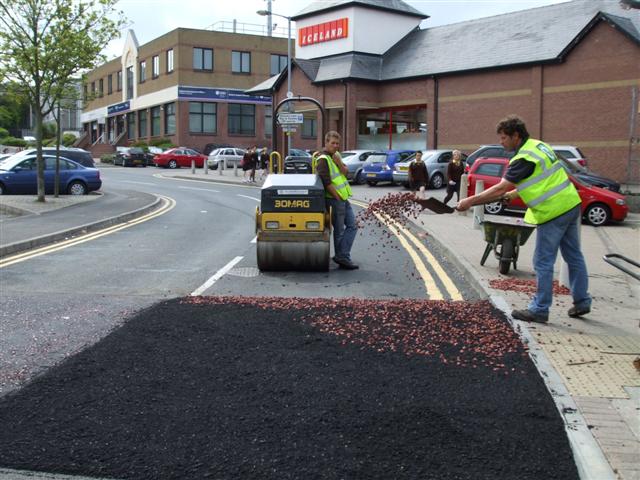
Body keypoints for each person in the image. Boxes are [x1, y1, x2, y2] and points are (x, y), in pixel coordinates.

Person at [457, 114, 591, 324]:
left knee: (542, 261)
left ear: (515, 136)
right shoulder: (538, 146)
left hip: (553, 212)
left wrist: (469, 201)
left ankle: (540, 309)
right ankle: (582, 301)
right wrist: (514, 194)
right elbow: (541, 179)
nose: (501, 142)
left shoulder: (522, 158)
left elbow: (500, 187)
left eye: (503, 137)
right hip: (571, 204)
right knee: (573, 255)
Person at [314, 131, 359, 270]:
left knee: (353, 225)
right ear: (326, 143)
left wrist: (339, 162)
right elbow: (326, 182)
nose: (335, 146)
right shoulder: (322, 159)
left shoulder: (336, 157)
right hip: (334, 199)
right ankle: (343, 257)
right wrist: (338, 197)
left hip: (343, 199)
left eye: (337, 143)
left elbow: (346, 173)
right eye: (332, 143)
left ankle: (342, 255)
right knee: (339, 230)